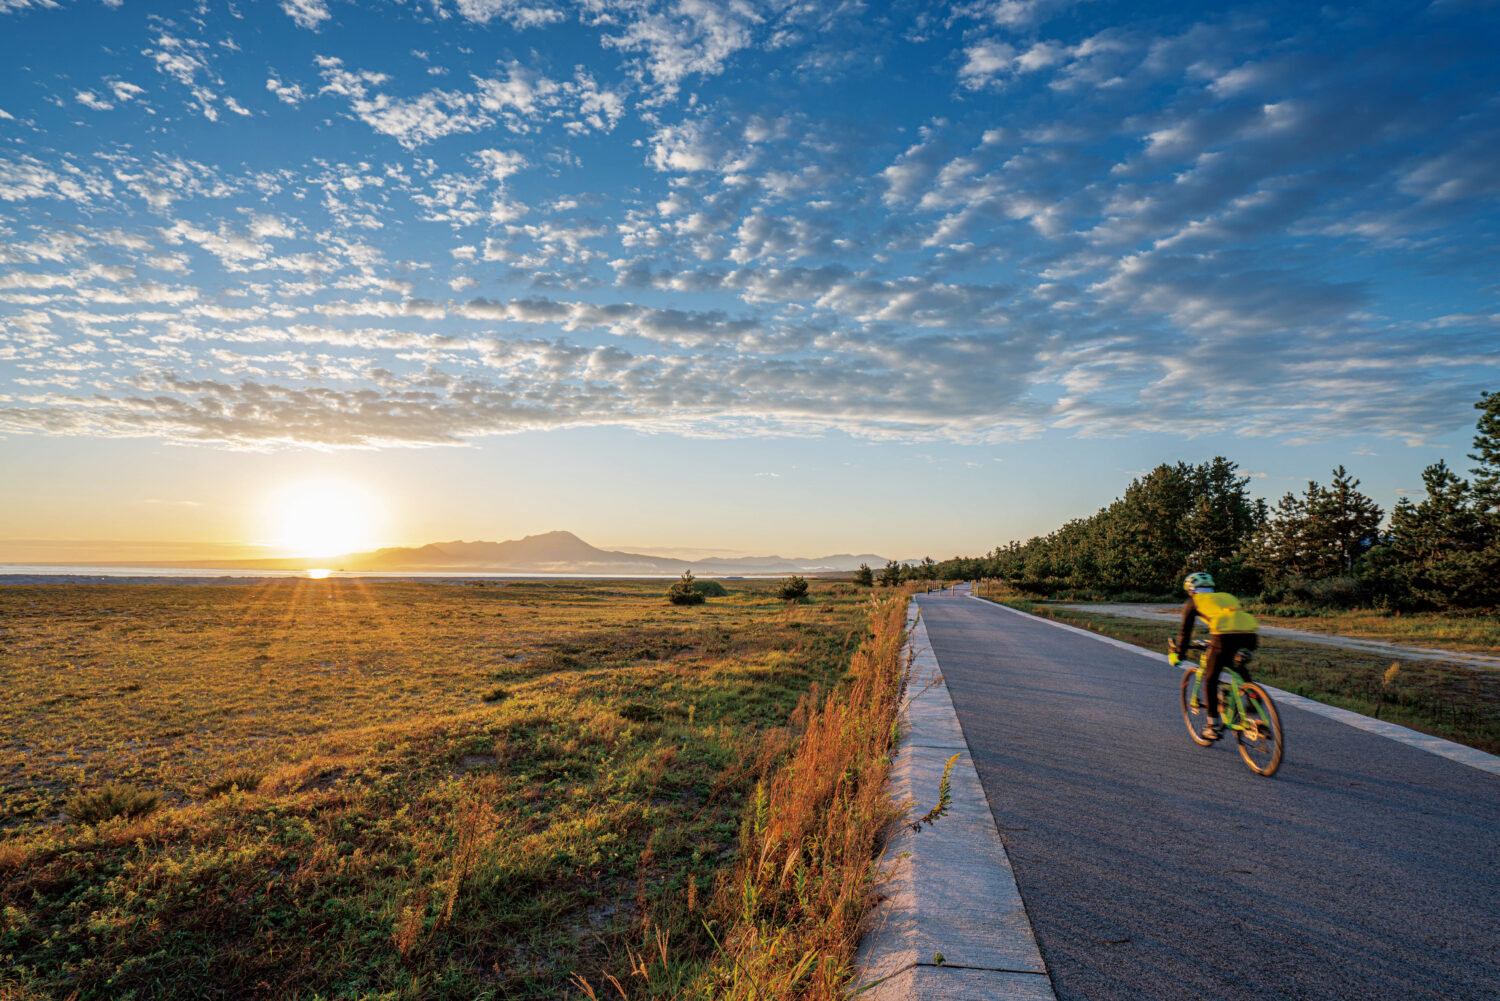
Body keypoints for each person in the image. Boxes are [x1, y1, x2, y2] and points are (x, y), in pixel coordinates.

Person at [1168, 571, 1259, 741]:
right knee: (1237, 666)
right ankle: (1254, 699)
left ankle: (1213, 726)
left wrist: (1178, 654)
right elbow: (1231, 618)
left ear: (1191, 589)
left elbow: (1185, 632)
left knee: (1210, 679)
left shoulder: (1193, 601)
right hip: (1249, 634)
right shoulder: (1226, 596)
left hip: (1224, 637)